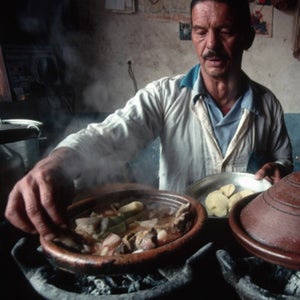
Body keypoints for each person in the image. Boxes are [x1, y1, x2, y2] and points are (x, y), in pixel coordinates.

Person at [5, 0, 293, 242]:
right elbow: (110, 136)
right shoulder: (163, 96)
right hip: (177, 239)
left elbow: (284, 164)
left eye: (225, 31)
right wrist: (56, 163)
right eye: (200, 32)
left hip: (245, 239)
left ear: (248, 36)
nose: (211, 45)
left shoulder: (267, 105)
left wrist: (279, 169)